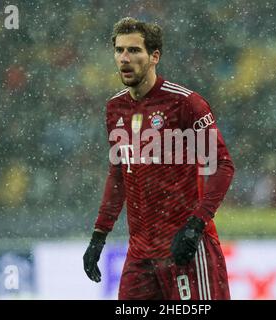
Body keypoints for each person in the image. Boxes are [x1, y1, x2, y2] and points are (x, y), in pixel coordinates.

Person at [83, 17, 235, 300]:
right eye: (119, 51)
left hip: (185, 248)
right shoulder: (115, 109)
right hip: (140, 256)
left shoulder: (185, 103)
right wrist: (98, 235)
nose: (124, 59)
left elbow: (223, 165)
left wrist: (196, 225)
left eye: (134, 50)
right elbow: (118, 174)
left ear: (154, 56)